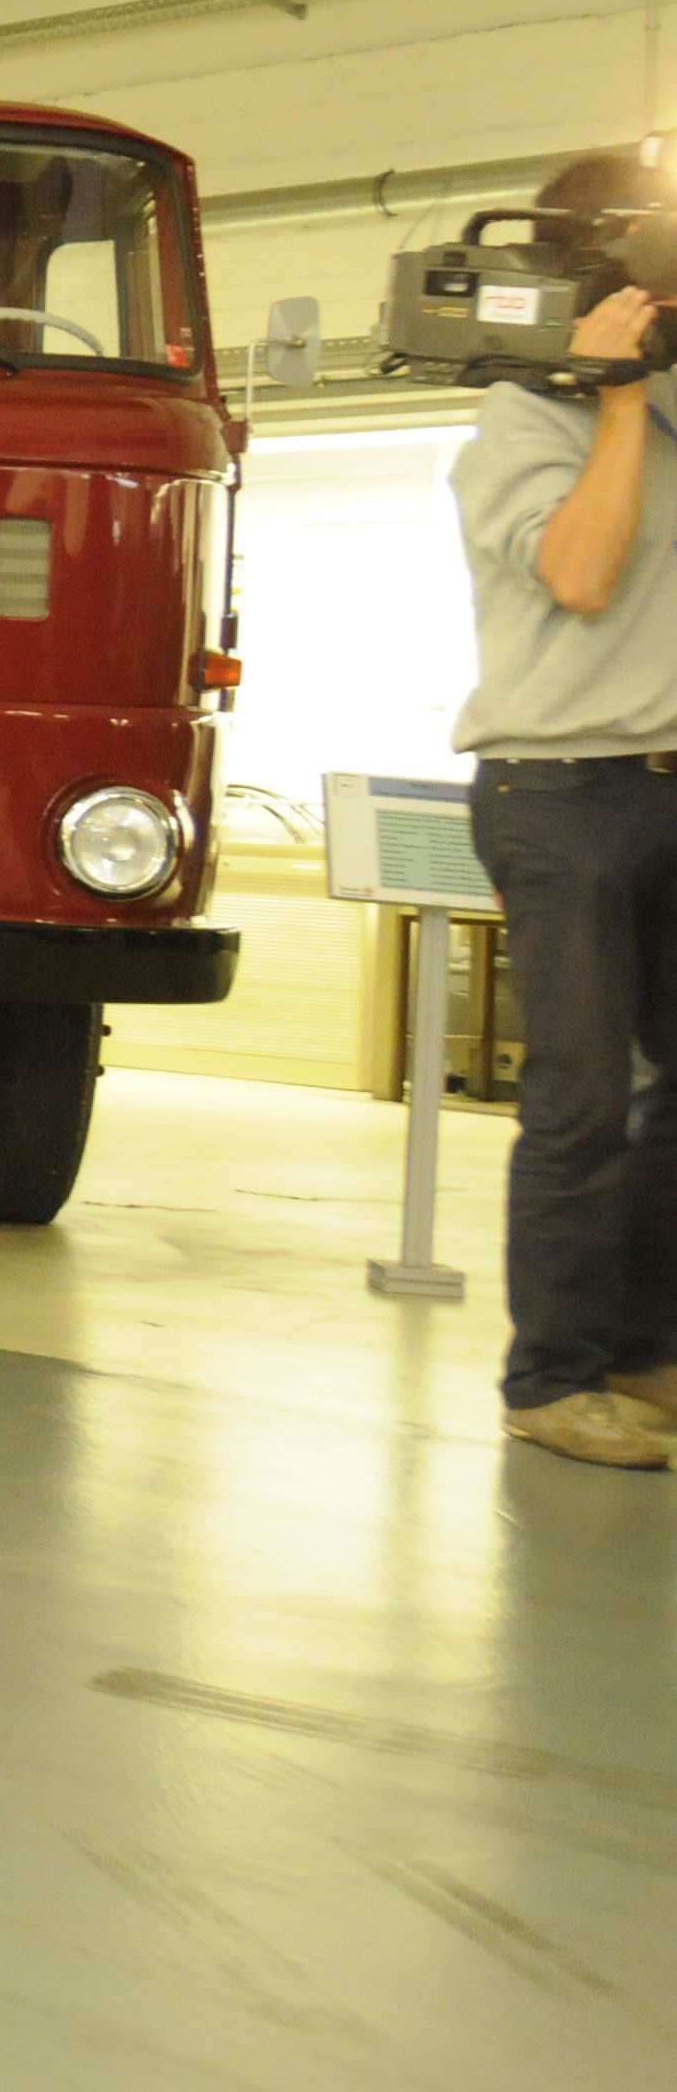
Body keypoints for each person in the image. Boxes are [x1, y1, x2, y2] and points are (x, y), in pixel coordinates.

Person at [452, 153, 677, 1466]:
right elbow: (584, 573)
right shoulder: (520, 422)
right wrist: (614, 395)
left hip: (667, 779)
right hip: (560, 793)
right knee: (585, 1098)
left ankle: (645, 1357)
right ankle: (550, 1380)